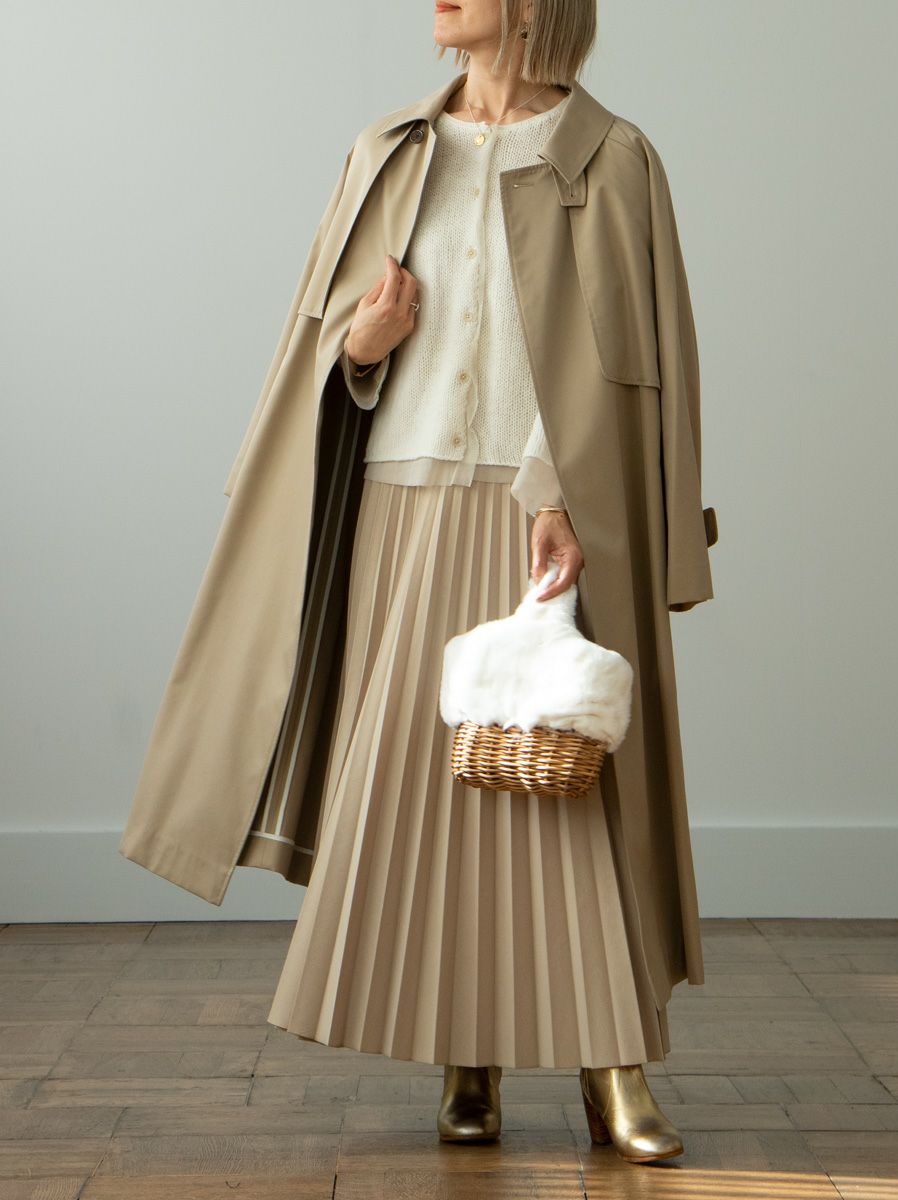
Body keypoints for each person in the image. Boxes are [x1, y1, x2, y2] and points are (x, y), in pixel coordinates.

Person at [262, 0, 690, 1167]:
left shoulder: (610, 156)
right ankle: (468, 1060)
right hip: (402, 494)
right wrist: (361, 348)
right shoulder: (390, 149)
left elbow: (627, 361)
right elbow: (323, 343)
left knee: (571, 784)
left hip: (545, 509)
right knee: (439, 791)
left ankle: (614, 1067)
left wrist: (557, 486)